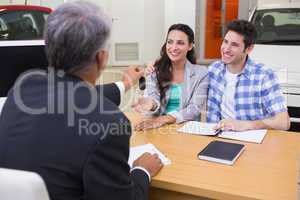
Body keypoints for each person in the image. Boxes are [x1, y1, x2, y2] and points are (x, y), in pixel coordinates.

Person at [0, 2, 163, 200]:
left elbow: (72, 97)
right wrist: (141, 171)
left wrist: (124, 84)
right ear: (101, 58)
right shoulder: (109, 123)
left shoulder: (22, 89)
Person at [207, 19, 290, 131]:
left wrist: (245, 125)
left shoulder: (264, 76)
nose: (226, 49)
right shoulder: (214, 70)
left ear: (249, 48)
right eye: (225, 42)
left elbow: (283, 122)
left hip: (253, 141)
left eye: (234, 45)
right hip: (217, 136)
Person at [133, 24, 208, 130]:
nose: (173, 47)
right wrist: (151, 104)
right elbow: (154, 98)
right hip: (157, 129)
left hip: (185, 130)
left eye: (180, 43)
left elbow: (194, 108)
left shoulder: (201, 73)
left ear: (190, 46)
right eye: (170, 42)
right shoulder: (154, 70)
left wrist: (163, 119)